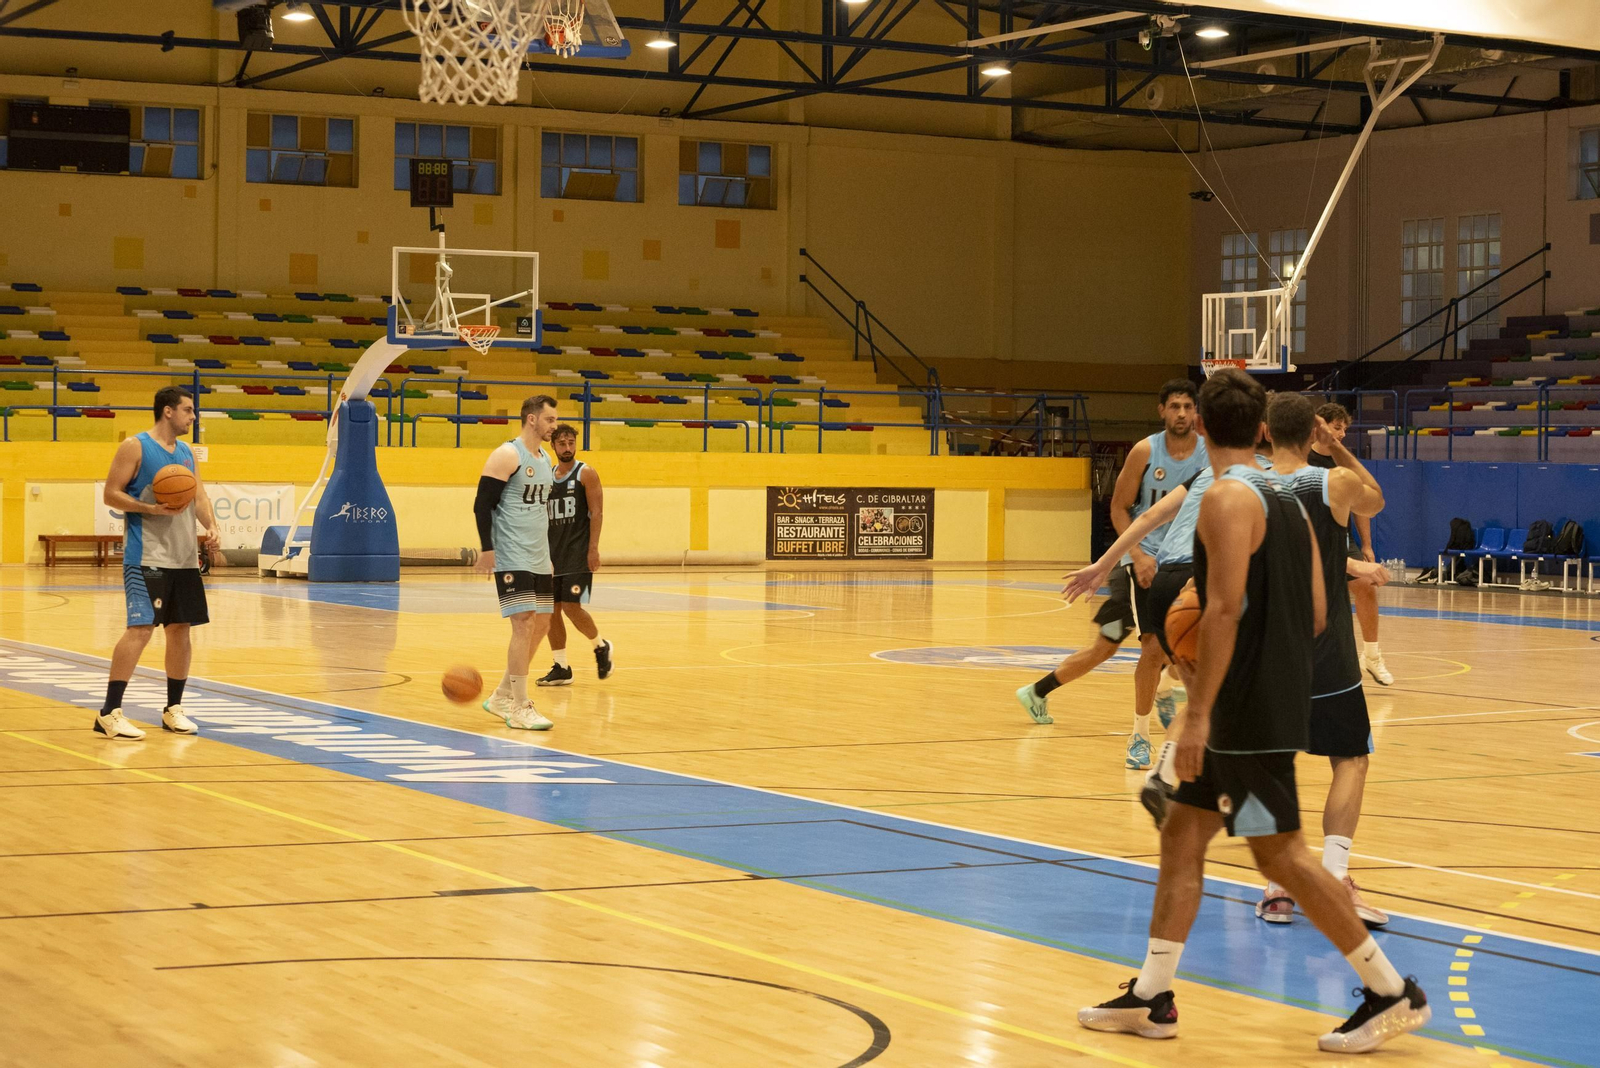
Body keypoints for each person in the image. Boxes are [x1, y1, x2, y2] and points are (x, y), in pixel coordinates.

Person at [1077, 370, 1429, 1054]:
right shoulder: (1293, 494)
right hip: (1268, 691)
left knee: (1282, 858)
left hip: (1244, 707)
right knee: (1181, 836)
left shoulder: (1227, 498)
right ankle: (1152, 996)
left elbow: (1225, 606)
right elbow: (1323, 606)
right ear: (1263, 430)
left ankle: (1389, 991)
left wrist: (1199, 714)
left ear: (1201, 428)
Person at [1016, 380, 1207, 772]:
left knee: (1156, 642)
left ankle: (1164, 693)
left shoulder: (1209, 453)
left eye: (1189, 406)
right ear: (1161, 410)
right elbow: (1120, 509)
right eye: (1175, 406)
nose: (1183, 414)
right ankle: (1139, 736)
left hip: (1189, 560)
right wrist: (1136, 556)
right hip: (1145, 561)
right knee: (1151, 647)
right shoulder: (1145, 451)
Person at [1258, 395, 1391, 927]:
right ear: (1313, 430)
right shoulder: (1332, 483)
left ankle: (1277, 886)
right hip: (1327, 649)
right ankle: (1334, 876)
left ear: (1265, 432)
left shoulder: (1245, 485)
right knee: (1351, 760)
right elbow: (1375, 501)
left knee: (1273, 767)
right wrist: (1337, 449)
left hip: (1268, 650)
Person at [96, 386, 220, 740]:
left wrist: (210, 525)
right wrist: (150, 508)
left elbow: (198, 494)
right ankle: (109, 712)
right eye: (188, 409)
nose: (193, 416)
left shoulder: (185, 453)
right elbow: (111, 493)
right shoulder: (135, 446)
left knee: (180, 629)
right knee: (140, 629)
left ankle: (173, 709)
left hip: (183, 558)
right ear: (168, 411)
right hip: (146, 555)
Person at [474, 395, 560, 730]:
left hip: (538, 554)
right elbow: (483, 504)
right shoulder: (507, 454)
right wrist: (487, 548)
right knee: (523, 621)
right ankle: (520, 705)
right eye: (550, 420)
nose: (554, 425)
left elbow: (540, 511)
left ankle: (500, 696)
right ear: (532, 420)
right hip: (511, 551)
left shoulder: (544, 458)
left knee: (541, 624)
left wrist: (548, 555)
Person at [1313, 404, 1392, 685]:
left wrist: (1367, 544)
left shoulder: (1344, 462)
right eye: (1337, 427)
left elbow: (1363, 505)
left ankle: (1371, 655)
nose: (1342, 433)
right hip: (1308, 537)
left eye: (1345, 428)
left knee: (1366, 587)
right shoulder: (1303, 458)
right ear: (1320, 427)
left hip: (1340, 538)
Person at [537, 424, 614, 686]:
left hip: (577, 553)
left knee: (571, 607)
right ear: (553, 446)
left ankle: (600, 646)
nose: (567, 448)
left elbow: (597, 513)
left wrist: (593, 548)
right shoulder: (546, 477)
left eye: (571, 443)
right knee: (550, 611)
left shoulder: (586, 473)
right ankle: (561, 667)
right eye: (562, 444)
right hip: (550, 555)